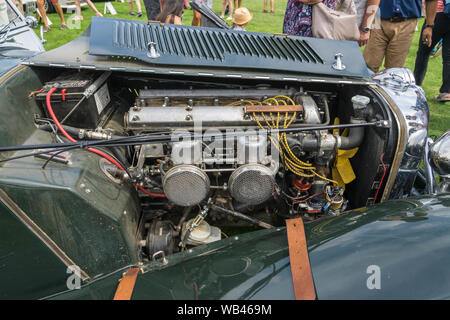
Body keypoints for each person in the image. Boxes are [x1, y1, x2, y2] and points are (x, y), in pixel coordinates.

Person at [363, 0, 438, 72]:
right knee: (369, 66)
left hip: (407, 23)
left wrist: (429, 26)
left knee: (394, 70)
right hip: (378, 20)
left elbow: (432, 1)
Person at [414, 0, 450, 101]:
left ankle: (416, 86)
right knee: (448, 57)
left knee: (423, 53)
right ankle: (446, 92)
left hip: (437, 14)